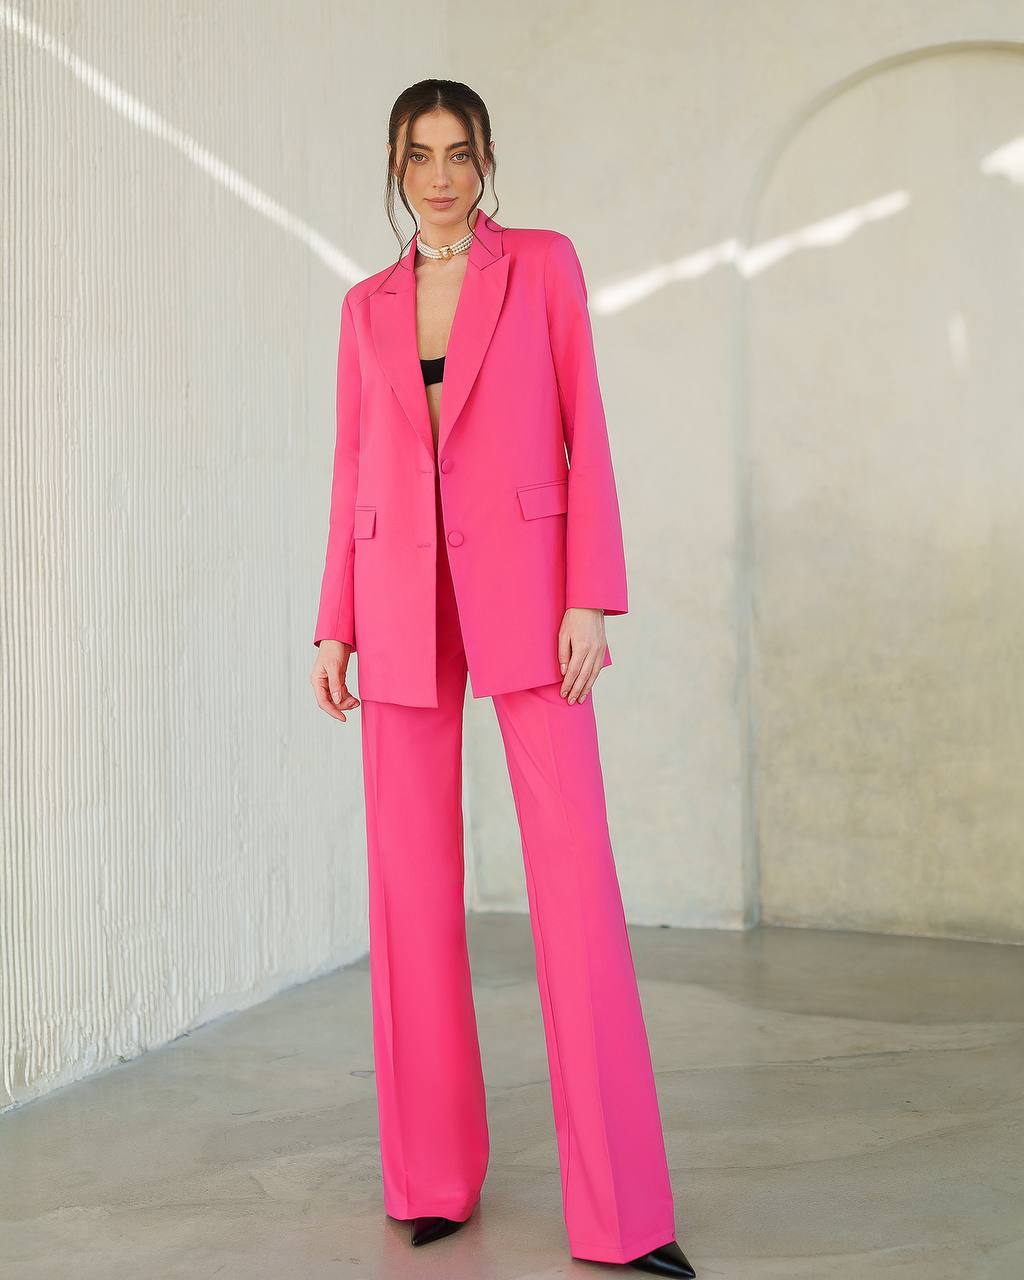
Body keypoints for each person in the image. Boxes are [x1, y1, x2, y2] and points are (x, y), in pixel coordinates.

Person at [310, 78, 696, 1279]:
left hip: (530, 590)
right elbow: (352, 466)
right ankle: (430, 1178)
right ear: (394, 166)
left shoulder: (542, 265)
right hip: (396, 599)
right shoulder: (364, 305)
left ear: (486, 161)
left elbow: (587, 426)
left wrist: (590, 593)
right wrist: (333, 622)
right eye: (418, 155)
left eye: (459, 153)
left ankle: (625, 1214)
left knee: (572, 879)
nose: (440, 176)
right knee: (408, 891)